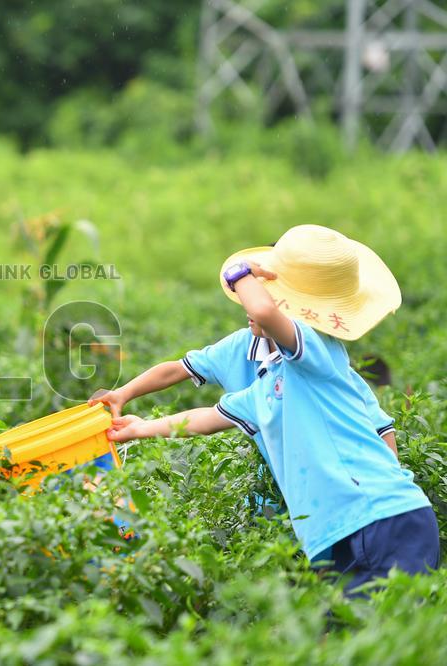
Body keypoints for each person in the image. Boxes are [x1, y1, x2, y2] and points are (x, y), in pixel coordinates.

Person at [108, 225, 438, 594]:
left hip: (381, 519)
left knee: (382, 637)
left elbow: (263, 310)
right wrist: (138, 428)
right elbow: (204, 419)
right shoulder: (269, 383)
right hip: (338, 533)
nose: (254, 302)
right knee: (347, 642)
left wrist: (241, 274)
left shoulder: (317, 351)